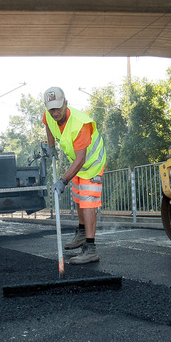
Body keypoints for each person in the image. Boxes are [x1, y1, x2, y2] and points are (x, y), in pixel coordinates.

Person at [42, 86, 107, 265]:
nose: (55, 113)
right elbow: (47, 123)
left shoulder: (79, 124)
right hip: (78, 163)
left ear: (66, 103)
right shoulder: (49, 114)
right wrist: (51, 145)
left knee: (87, 203)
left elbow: (81, 158)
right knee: (78, 198)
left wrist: (63, 180)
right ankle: (81, 233)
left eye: (58, 108)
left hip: (91, 164)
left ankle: (91, 248)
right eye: (51, 109)